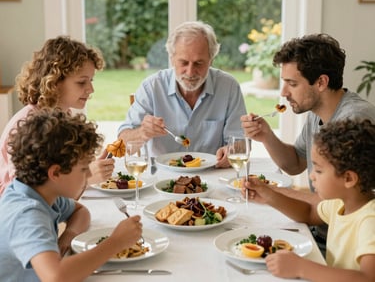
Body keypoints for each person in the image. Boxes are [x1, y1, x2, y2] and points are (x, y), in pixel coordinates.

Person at [240, 33, 375, 251]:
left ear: (321, 82)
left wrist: (269, 192)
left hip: (341, 243)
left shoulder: (353, 121)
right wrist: (266, 136)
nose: (283, 93)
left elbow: (333, 203)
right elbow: (295, 164)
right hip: (318, 228)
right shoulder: (317, 112)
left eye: (292, 83)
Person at [0, 109, 143, 281]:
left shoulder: (44, 193)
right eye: (83, 169)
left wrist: (69, 235)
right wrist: (115, 242)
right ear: (56, 173)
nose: (89, 176)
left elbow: (80, 211)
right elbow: (56, 277)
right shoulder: (26, 214)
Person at [242, 119, 375, 282]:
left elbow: (368, 278)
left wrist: (301, 268)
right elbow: (309, 213)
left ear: (348, 178)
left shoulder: (370, 220)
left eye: (318, 170)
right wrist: (269, 195)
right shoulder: (341, 203)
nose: (312, 176)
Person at [118, 21, 247, 168]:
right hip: (161, 177)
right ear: (172, 58)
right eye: (184, 62)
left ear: (211, 60)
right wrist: (143, 133)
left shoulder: (228, 87)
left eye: (199, 63)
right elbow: (121, 146)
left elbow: (240, 142)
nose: (190, 72)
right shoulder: (152, 87)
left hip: (212, 175)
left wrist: (231, 151)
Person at [0, 35, 115, 195]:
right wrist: (86, 178)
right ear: (54, 82)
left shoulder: (63, 115)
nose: (90, 89)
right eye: (82, 82)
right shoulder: (27, 124)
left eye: (91, 81)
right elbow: (24, 192)